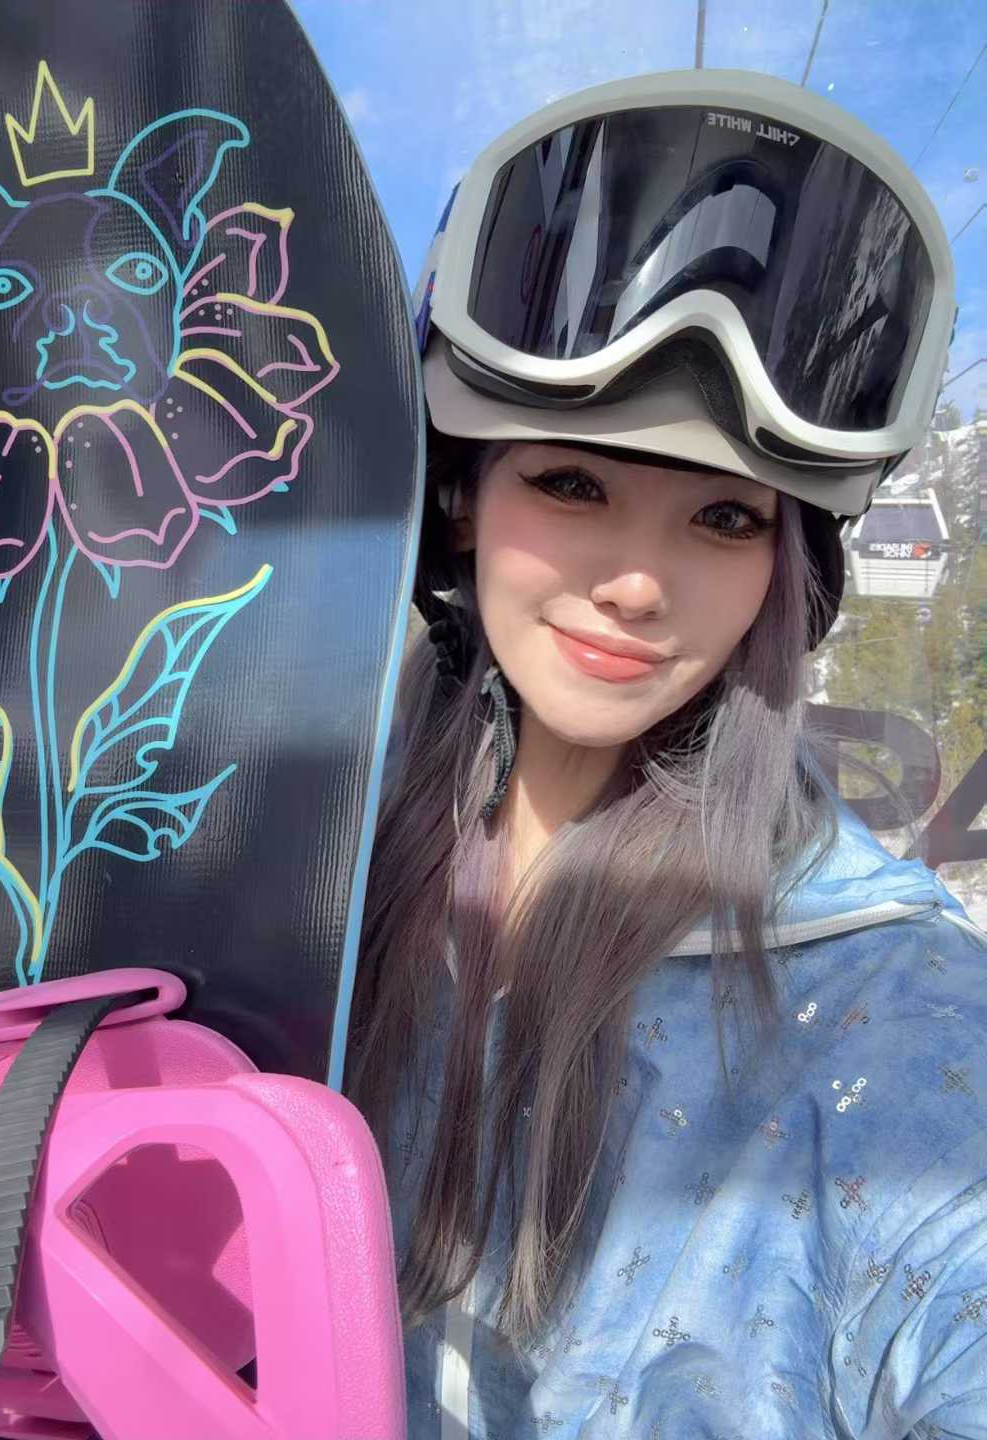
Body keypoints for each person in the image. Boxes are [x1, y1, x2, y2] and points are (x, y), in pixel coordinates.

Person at [344, 70, 986, 1438]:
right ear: (461, 500)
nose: (639, 584)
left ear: (786, 568)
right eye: (574, 483)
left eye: (724, 519)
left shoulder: (886, 1008)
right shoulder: (313, 873)